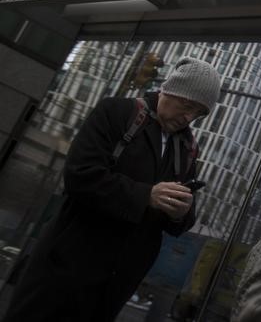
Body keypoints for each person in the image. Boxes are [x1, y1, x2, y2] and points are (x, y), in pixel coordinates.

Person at [4, 56, 221, 322]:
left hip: (114, 286)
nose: (189, 117)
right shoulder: (117, 113)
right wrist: (146, 195)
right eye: (186, 105)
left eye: (198, 113)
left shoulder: (187, 147)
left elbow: (180, 223)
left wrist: (180, 213)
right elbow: (79, 175)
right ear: (169, 90)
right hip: (65, 269)